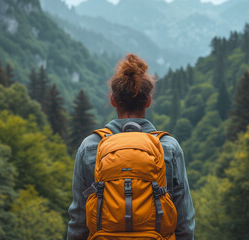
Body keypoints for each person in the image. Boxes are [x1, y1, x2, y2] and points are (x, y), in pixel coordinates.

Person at [67, 53, 195, 239]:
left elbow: (79, 220)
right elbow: (184, 222)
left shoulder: (90, 147)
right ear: (148, 101)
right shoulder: (168, 147)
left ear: (112, 100)